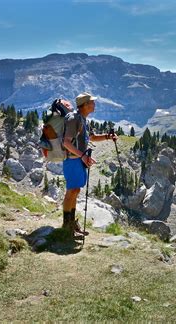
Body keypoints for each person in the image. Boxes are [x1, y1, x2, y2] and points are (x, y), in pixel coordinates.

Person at [62, 92, 118, 238]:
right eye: (92, 102)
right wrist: (82, 155)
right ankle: (66, 227)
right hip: (73, 159)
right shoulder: (74, 119)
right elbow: (66, 142)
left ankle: (71, 224)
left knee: (75, 191)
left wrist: (107, 136)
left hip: (79, 160)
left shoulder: (84, 120)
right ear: (85, 105)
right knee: (71, 191)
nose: (94, 104)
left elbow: (91, 137)